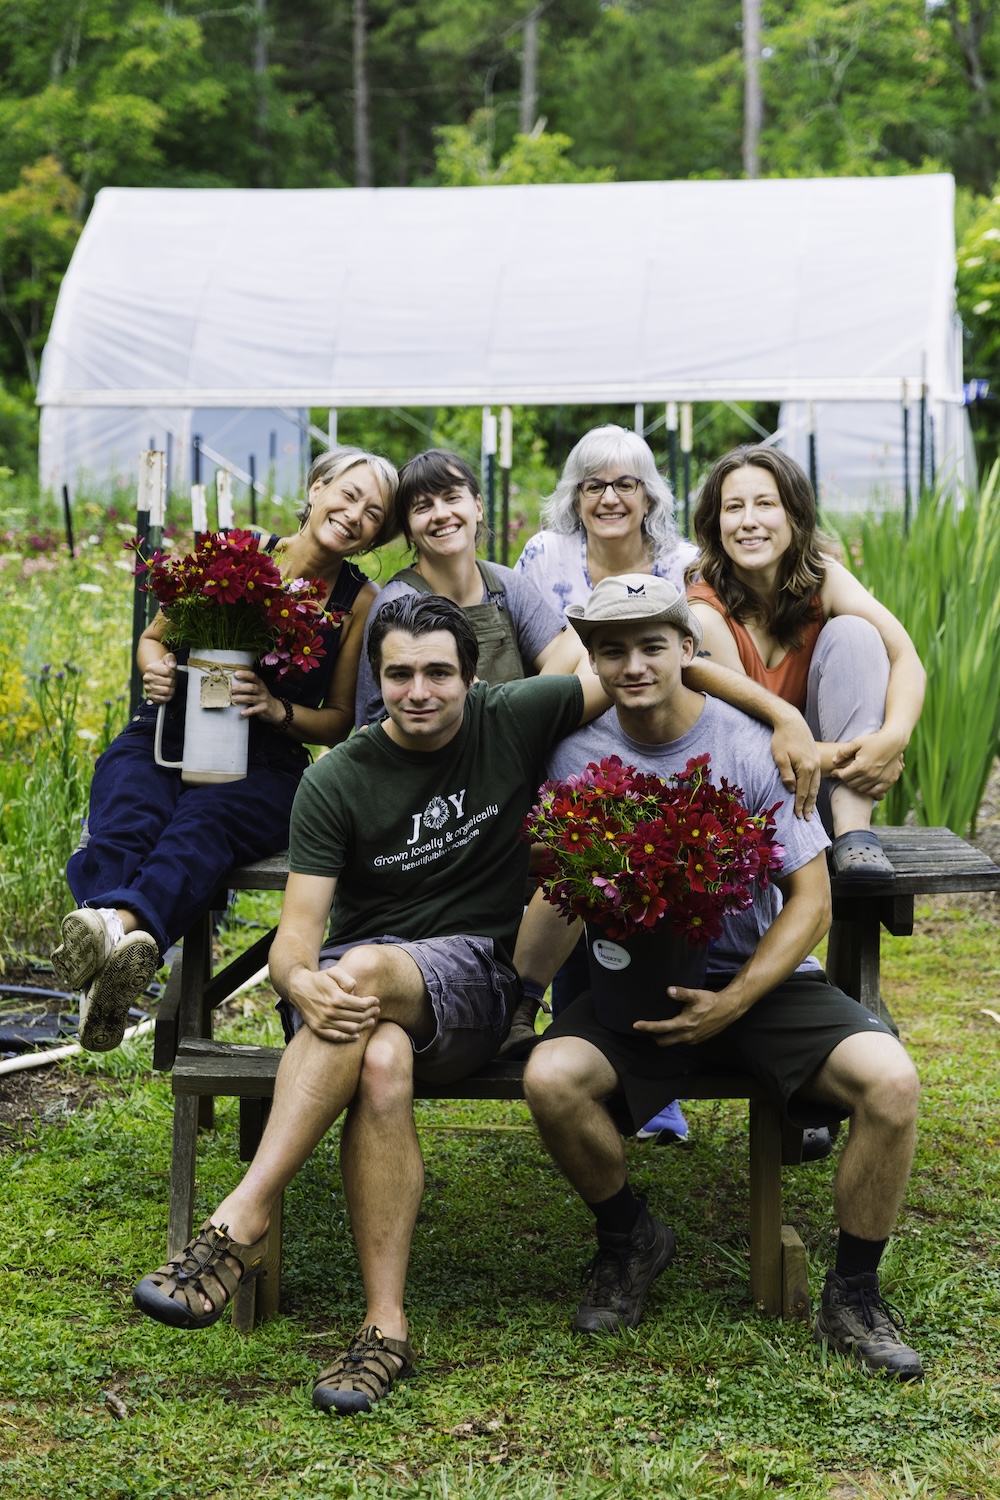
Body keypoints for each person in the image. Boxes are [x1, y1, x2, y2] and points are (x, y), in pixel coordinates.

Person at [132, 592, 610, 1413]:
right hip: (360, 997)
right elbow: (295, 940)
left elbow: (636, 668)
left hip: (474, 984)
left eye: (437, 674)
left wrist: (769, 716)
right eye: (398, 674)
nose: (418, 691)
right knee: (381, 1058)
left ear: (472, 678)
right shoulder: (340, 779)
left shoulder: (515, 715)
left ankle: (242, 1216)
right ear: (377, 681)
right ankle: (385, 1329)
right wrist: (299, 981)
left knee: (364, 973)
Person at [517, 575, 924, 1379]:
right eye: (612, 650)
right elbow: (559, 891)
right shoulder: (575, 752)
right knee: (551, 1078)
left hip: (760, 978)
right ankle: (630, 1236)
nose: (633, 665)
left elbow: (811, 904)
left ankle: (853, 1293)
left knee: (893, 1084)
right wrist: (523, 996)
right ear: (591, 658)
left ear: (687, 651)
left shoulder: (749, 744)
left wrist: (735, 1000)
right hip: (636, 987)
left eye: (652, 646)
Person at [52, 447, 399, 1052]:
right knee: (130, 808)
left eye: (373, 513)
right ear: (316, 489)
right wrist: (158, 670)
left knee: (203, 824)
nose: (354, 515)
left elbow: (338, 721)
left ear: (375, 535)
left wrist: (276, 707)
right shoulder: (240, 550)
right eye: (347, 494)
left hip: (267, 763)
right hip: (170, 730)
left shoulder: (357, 603)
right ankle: (118, 953)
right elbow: (154, 639)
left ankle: (114, 930)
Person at [688, 445, 926, 881]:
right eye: (733, 507)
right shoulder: (705, 614)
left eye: (765, 504)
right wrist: (865, 758)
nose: (748, 521)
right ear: (714, 523)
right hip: (749, 805)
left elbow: (906, 656)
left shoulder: (824, 577)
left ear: (794, 515)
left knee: (855, 633)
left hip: (821, 797)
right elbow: (750, 751)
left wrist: (892, 739)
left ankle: (855, 839)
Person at [354, 448, 592, 728]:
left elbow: (574, 655)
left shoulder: (505, 585)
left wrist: (526, 718)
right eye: (423, 506)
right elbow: (469, 707)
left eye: (452, 498)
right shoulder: (401, 603)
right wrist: (532, 716)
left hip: (511, 741)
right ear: (408, 529)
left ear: (478, 507)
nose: (441, 514)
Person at [514, 423, 696, 611]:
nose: (609, 499)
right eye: (594, 487)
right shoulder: (544, 556)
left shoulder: (686, 567)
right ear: (576, 502)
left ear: (648, 499)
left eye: (625, 485)